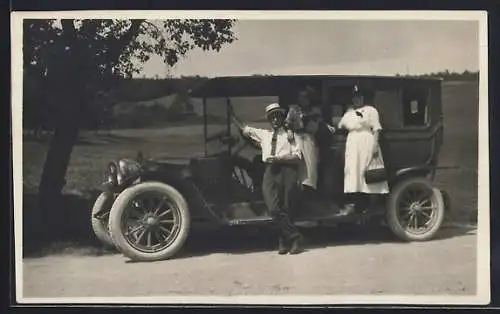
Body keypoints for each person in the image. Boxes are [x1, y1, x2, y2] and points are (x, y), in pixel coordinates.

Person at [231, 103, 305, 255]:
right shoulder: (263, 134)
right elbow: (244, 129)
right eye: (272, 117)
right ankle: (295, 236)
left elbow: (298, 157)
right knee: (273, 208)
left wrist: (280, 158)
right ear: (269, 120)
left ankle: (284, 240)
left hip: (287, 170)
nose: (276, 120)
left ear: (282, 118)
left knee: (286, 207)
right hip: (270, 172)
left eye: (278, 116)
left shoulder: (290, 136)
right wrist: (231, 115)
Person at [336, 85, 389, 216]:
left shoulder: (371, 110)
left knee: (369, 171)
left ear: (363, 98)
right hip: (353, 144)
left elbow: (376, 128)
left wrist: (375, 145)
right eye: (354, 98)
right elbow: (339, 125)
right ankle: (355, 204)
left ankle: (374, 205)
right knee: (353, 171)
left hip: (367, 142)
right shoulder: (348, 113)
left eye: (359, 97)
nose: (356, 100)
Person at [285, 86, 336, 196]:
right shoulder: (294, 110)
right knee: (298, 163)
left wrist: (328, 126)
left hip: (309, 138)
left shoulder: (315, 111)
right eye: (301, 97)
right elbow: (287, 123)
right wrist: (289, 130)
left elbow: (321, 122)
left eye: (306, 97)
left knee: (310, 165)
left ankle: (309, 190)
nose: (303, 100)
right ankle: (297, 189)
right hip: (297, 137)